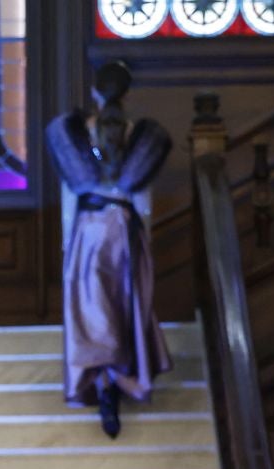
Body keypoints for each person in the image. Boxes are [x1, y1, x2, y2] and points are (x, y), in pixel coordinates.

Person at [45, 60, 172, 438]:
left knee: (92, 311)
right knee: (125, 306)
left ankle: (100, 387)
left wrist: (69, 241)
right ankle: (123, 381)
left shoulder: (72, 134)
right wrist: (142, 234)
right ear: (127, 94)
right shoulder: (141, 135)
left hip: (87, 231)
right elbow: (142, 200)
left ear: (95, 92)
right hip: (125, 232)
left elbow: (71, 196)